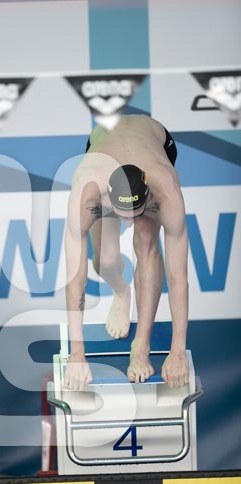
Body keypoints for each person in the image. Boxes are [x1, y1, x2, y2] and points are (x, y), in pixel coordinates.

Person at [64, 114, 189, 391]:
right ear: (108, 198)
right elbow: (75, 279)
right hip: (103, 146)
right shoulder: (87, 189)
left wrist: (177, 351)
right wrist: (77, 355)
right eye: (122, 215)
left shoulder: (165, 186)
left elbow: (178, 277)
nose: (129, 222)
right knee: (105, 260)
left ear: (147, 191)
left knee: (146, 239)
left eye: (137, 212)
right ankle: (122, 293)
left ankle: (140, 346)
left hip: (154, 143)